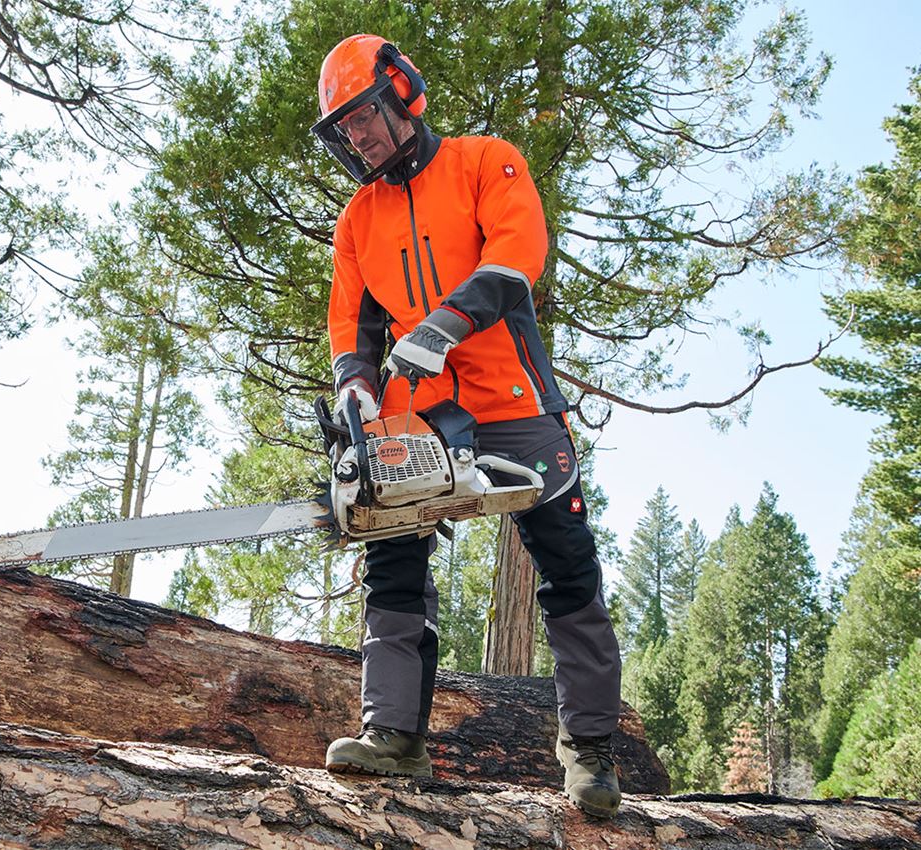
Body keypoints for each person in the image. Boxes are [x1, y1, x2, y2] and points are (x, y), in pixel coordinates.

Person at [311, 33, 623, 818]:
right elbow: (353, 324)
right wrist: (355, 387)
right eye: (343, 129)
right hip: (418, 417)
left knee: (567, 565)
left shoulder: (486, 161)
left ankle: (589, 752)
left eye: (362, 117)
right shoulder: (357, 220)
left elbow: (518, 255)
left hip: (512, 402)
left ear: (401, 93)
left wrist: (445, 324)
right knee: (393, 562)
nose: (357, 136)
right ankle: (393, 737)